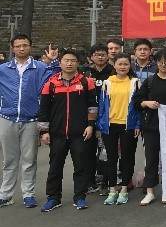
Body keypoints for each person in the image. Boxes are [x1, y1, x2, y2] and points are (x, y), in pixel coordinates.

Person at [0, 35, 58, 209]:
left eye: (25, 45)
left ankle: (28, 194)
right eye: (18, 46)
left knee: (29, 159)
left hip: (31, 119)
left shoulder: (40, 67)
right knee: (9, 159)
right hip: (7, 117)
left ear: (30, 47)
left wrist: (54, 62)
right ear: (12, 48)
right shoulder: (3, 69)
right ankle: (6, 194)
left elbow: (54, 80)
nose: (21, 48)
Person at [37, 49, 97, 212]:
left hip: (80, 133)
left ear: (78, 63)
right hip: (57, 133)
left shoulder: (86, 82)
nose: (69, 63)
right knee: (55, 167)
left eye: (73, 61)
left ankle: (80, 197)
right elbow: (44, 110)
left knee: (81, 166)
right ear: (60, 63)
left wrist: (90, 125)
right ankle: (53, 198)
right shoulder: (51, 84)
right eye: (66, 60)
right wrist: (44, 131)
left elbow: (92, 106)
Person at [135, 48, 166, 206]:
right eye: (160, 62)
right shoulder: (150, 81)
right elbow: (138, 101)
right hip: (151, 125)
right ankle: (150, 192)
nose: (163, 64)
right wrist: (147, 103)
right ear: (156, 63)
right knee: (151, 159)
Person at [96, 54, 142, 206]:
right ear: (114, 65)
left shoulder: (135, 83)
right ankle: (112, 189)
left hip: (128, 125)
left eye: (126, 64)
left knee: (127, 157)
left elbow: (138, 107)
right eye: (120, 64)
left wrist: (137, 125)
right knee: (111, 158)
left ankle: (124, 189)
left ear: (130, 66)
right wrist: (100, 125)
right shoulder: (107, 83)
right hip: (110, 125)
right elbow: (102, 106)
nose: (123, 67)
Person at [82, 43, 115, 195]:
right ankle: (90, 181)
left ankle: (106, 182)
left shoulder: (113, 72)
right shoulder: (86, 74)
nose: (100, 57)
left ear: (108, 56)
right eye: (97, 54)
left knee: (106, 151)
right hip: (89, 117)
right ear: (91, 57)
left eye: (103, 54)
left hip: (108, 117)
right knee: (88, 151)